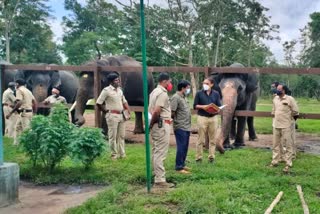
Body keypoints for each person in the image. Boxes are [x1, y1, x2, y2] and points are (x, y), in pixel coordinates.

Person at [96, 73, 130, 160]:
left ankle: (122, 154)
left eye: (118, 80)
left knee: (121, 136)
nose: (118, 81)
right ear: (111, 82)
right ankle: (114, 155)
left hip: (121, 115)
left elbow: (124, 101)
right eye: (116, 80)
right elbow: (99, 102)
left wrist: (128, 110)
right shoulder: (106, 90)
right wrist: (105, 111)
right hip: (112, 115)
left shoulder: (120, 90)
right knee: (112, 136)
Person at [149, 72, 174, 188]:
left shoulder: (154, 92)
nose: (170, 84)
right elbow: (156, 111)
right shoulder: (162, 93)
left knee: (155, 150)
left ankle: (155, 174)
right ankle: (160, 180)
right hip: (161, 124)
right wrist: (152, 123)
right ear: (164, 82)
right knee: (160, 152)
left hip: (157, 124)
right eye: (169, 82)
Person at [270, 84, 299, 173]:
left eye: (279, 89)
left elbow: (295, 111)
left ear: (284, 90)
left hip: (286, 125)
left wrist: (290, 120)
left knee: (288, 145)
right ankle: (275, 161)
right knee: (275, 144)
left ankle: (288, 163)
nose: (277, 91)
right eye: (276, 89)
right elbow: (273, 111)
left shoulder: (290, 99)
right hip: (276, 125)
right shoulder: (275, 99)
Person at [193, 77, 221, 163]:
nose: (204, 85)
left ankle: (211, 157)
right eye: (203, 83)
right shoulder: (199, 93)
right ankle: (198, 158)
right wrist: (203, 107)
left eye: (207, 83)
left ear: (212, 84)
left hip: (213, 118)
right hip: (202, 117)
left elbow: (219, 106)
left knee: (212, 139)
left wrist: (217, 109)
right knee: (200, 139)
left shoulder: (216, 94)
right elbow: (195, 105)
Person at [6, 79, 37, 145]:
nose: (15, 86)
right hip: (28, 112)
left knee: (27, 130)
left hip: (24, 113)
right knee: (17, 127)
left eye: (15, 84)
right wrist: (34, 112)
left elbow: (19, 102)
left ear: (17, 84)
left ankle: (30, 145)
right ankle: (16, 144)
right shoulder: (28, 91)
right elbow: (35, 102)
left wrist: (10, 113)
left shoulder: (19, 90)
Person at [170, 80, 192, 174]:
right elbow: (172, 112)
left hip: (187, 126)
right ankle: (178, 167)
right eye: (187, 88)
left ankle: (182, 164)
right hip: (180, 126)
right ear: (182, 88)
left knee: (185, 146)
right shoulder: (176, 97)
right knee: (181, 146)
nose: (188, 90)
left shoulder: (184, 97)